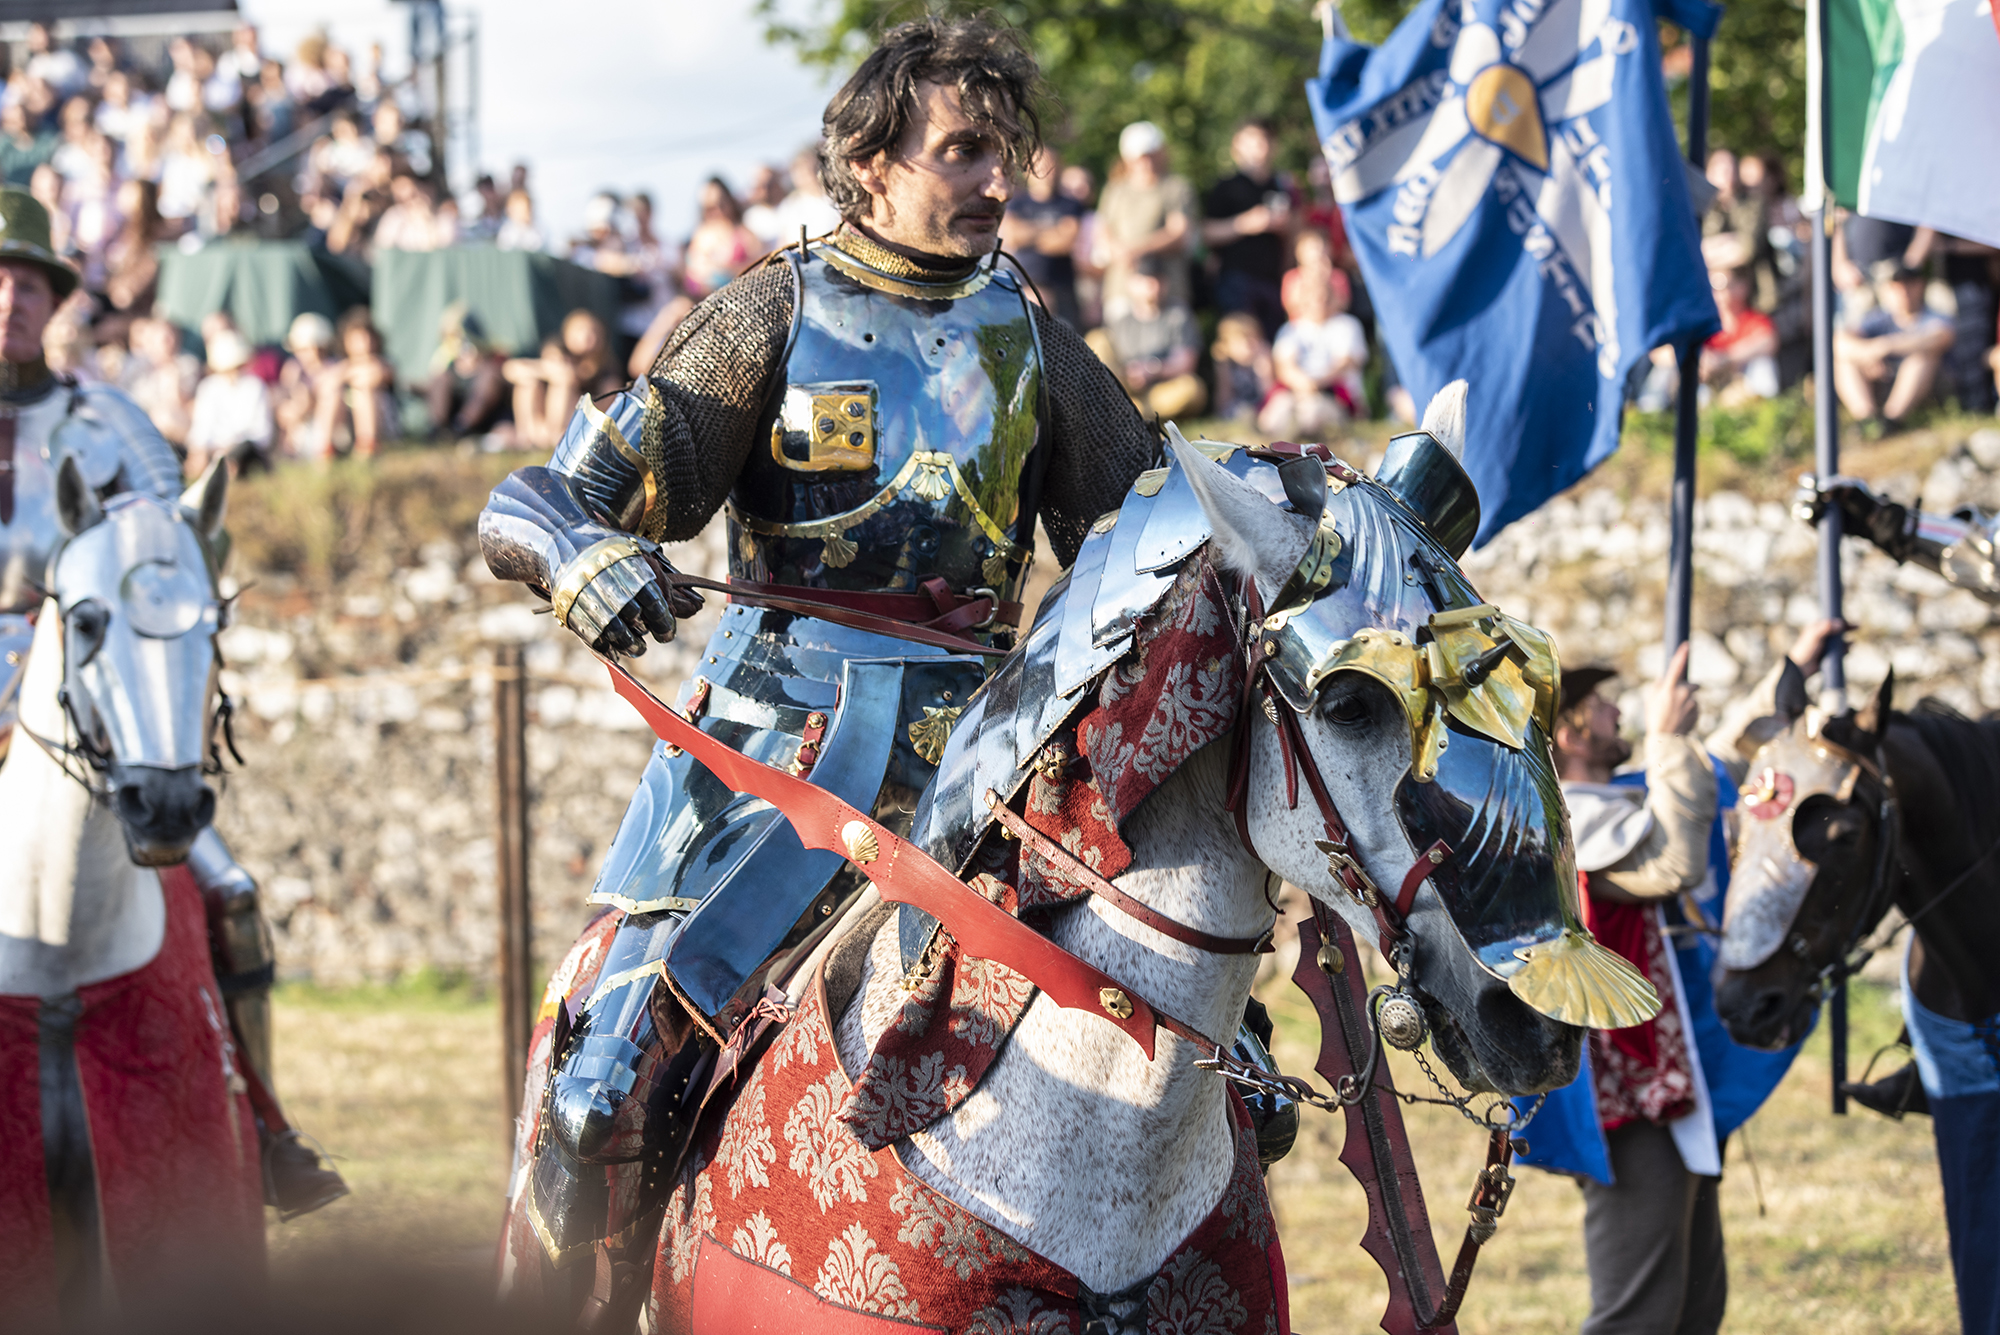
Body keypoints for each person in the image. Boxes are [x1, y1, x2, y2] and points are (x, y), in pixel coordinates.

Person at [479, 16, 1155, 1313]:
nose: (995, 180)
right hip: (776, 758)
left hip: (995, 759)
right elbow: (541, 499)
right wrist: (586, 556)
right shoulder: (771, 312)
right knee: (598, 1082)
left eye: (1004, 151)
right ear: (871, 158)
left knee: (1194, 1026)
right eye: (962, 150)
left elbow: (1150, 536)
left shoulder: (1033, 340)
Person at [0, 188, 341, 1213]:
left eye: (29, 282)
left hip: (84, 726)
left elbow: (183, 553)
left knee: (227, 894)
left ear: (56, 299)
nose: (10, 298)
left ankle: (264, 1128)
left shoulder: (111, 423)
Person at [1545, 625, 1842, 1335]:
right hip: (1629, 1095)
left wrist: (1794, 670)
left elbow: (1719, 763)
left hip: (1670, 1081)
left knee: (1695, 1305)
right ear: (1571, 727)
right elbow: (1671, 861)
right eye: (1606, 704)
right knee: (1638, 1314)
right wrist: (1670, 741)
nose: (1621, 713)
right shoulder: (1569, 822)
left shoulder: (1618, 798)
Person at [1834, 263, 1955, 436]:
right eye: (1896, 286)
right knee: (1844, 361)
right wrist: (1869, 355)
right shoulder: (1878, 318)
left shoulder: (1934, 316)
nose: (1903, 292)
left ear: (1920, 285)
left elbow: (1942, 337)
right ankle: (1867, 422)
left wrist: (1887, 346)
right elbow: (1839, 343)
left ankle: (1892, 422)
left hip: (1932, 386)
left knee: (1921, 358)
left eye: (1909, 284)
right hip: (1882, 379)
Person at [1094, 119, 1195, 320]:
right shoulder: (1115, 191)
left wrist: (1135, 250)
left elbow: (1179, 234)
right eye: (1140, 157)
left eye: (1151, 155)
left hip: (1168, 292)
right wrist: (1118, 251)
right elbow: (1102, 232)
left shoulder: (1177, 188)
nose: (1146, 162)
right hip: (1121, 292)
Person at [1202, 119, 1293, 339]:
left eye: (1264, 139)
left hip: (1273, 281)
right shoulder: (1226, 186)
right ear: (1237, 146)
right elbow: (1206, 233)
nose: (1259, 146)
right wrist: (1246, 224)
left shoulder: (1282, 185)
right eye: (1251, 140)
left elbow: (1296, 234)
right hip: (1237, 280)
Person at [1087, 255, 1206, 419]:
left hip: (1160, 389)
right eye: (1146, 280)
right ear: (1132, 283)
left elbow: (1186, 362)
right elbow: (1108, 362)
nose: (1153, 286)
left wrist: (1152, 369)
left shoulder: (1177, 315)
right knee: (1097, 338)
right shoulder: (1121, 321)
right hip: (1125, 386)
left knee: (1192, 389)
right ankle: (1125, 408)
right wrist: (1130, 373)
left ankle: (1134, 412)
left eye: (1158, 279)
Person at [1260, 266, 1368, 436]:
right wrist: (1304, 384)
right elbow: (1284, 366)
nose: (1319, 302)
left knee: (1311, 414)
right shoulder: (1291, 329)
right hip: (1297, 391)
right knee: (1277, 412)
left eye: (1324, 297)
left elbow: (1346, 363)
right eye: (1313, 297)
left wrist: (1316, 383)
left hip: (1333, 393)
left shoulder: (1347, 325)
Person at [1000, 144, 1082, 326]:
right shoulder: (1016, 202)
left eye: (1050, 167)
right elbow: (1012, 237)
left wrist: (1028, 233)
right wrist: (1051, 232)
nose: (1045, 172)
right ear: (1028, 168)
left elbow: (1065, 243)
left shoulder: (1070, 204)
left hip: (1062, 291)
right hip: (1022, 291)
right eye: (1039, 166)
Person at [309, 307, 398, 459]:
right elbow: (323, 386)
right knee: (333, 394)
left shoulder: (383, 363)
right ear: (346, 341)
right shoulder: (341, 366)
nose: (365, 343)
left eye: (368, 337)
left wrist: (346, 374)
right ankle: (326, 449)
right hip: (346, 429)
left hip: (385, 428)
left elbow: (374, 376)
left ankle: (368, 446)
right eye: (358, 338)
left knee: (362, 390)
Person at [184, 329, 273, 476]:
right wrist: (200, 449)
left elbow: (261, 433)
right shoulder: (208, 387)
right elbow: (202, 426)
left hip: (243, 448)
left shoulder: (255, 386)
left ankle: (226, 468)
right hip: (214, 449)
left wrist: (231, 446)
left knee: (245, 449)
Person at [420, 303, 508, 441]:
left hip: (485, 417)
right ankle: (438, 429)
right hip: (454, 409)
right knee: (440, 380)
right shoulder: (446, 358)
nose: (459, 342)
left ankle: (461, 426)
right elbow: (435, 378)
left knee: (488, 376)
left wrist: (478, 358)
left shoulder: (493, 359)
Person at [1701, 266, 1779, 404]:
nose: (1718, 292)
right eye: (1713, 286)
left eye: (1724, 285)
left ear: (1742, 287)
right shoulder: (1705, 322)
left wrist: (1728, 357)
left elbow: (1769, 341)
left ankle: (1765, 410)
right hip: (1710, 380)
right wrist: (1703, 360)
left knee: (1762, 364)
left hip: (1741, 377)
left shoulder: (1753, 319)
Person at [679, 176, 759, 299]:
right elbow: (692, 270)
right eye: (710, 207)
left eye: (721, 204)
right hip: (701, 299)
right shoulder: (701, 234)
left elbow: (757, 268)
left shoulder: (744, 234)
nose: (718, 211)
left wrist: (722, 270)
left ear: (730, 201)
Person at [273, 311, 334, 456]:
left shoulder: (333, 368)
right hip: (301, 427)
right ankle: (287, 454)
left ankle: (324, 452)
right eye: (299, 349)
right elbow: (283, 405)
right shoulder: (293, 369)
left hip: (327, 428)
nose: (301, 354)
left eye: (305, 349)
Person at [1211, 311, 1274, 425]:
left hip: (1262, 406)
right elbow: (1223, 399)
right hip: (1239, 407)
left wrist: (1264, 369)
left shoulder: (1262, 360)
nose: (1249, 346)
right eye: (1242, 341)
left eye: (1254, 339)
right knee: (1240, 411)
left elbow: (1268, 393)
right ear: (1226, 345)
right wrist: (1223, 371)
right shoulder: (1226, 364)